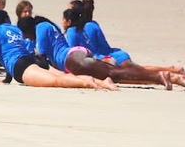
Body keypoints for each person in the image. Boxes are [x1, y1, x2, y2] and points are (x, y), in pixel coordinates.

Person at [21, 14, 172, 90]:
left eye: (25, 34)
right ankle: (156, 77)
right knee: (114, 71)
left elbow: (41, 54)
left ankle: (158, 77)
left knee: (115, 74)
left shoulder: (40, 27)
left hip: (70, 59)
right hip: (76, 52)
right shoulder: (48, 25)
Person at [0, 10, 115, 90]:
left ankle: (87, 83)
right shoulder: (15, 30)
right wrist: (7, 80)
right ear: (7, 19)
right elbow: (14, 50)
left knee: (55, 82)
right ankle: (103, 82)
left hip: (21, 66)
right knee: (63, 75)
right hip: (33, 59)